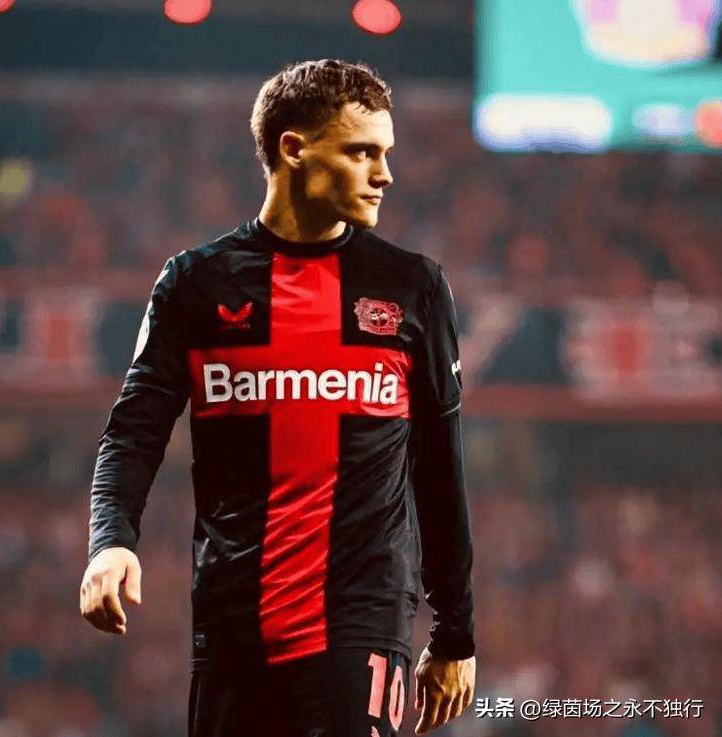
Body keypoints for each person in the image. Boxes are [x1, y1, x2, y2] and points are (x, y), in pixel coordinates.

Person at [80, 59, 476, 737]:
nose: (384, 173)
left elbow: (439, 468)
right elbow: (132, 432)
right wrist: (110, 541)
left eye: (385, 153)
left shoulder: (412, 287)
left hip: (361, 621)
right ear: (294, 149)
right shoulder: (195, 284)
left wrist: (455, 633)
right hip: (232, 626)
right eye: (361, 152)